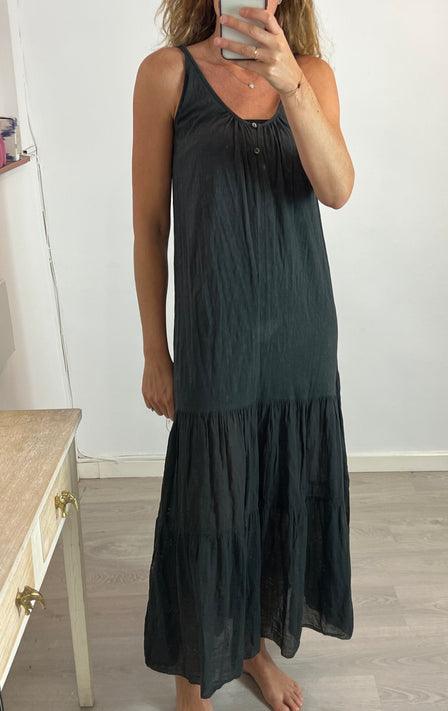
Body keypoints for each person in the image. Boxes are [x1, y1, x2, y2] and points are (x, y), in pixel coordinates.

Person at [132, 1, 354, 709]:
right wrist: (155, 351)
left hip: (299, 331)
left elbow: (337, 190)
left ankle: (253, 649)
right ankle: (194, 682)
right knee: (209, 510)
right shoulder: (167, 75)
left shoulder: (312, 75)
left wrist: (291, 85)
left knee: (275, 499)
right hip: (215, 332)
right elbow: (149, 225)